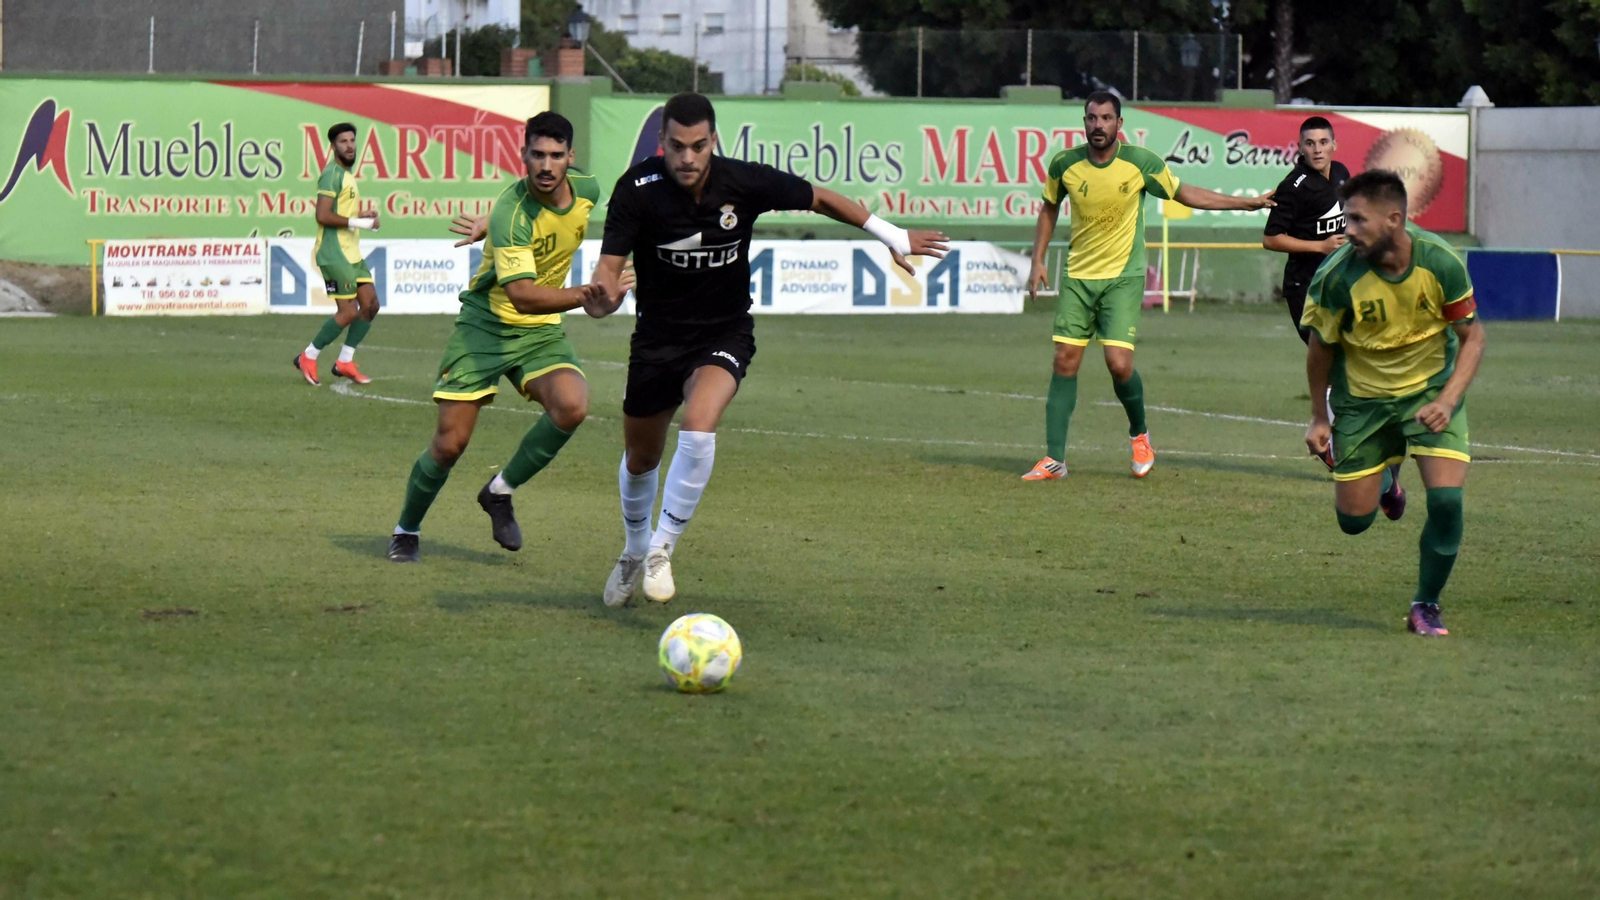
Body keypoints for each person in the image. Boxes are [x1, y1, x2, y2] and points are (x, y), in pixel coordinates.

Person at [584, 92, 948, 607]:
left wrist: (891, 234)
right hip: (657, 341)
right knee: (641, 459)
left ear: (713, 141)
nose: (687, 158)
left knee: (700, 423)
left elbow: (820, 198)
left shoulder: (743, 182)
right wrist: (601, 300)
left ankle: (663, 547)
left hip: (723, 332)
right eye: (676, 146)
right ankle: (634, 549)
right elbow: (605, 276)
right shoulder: (637, 189)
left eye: (699, 145)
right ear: (661, 142)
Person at [387, 112, 628, 563]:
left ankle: (499, 492)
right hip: (487, 326)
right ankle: (407, 529)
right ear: (524, 155)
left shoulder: (588, 191)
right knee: (449, 444)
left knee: (573, 405)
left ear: (570, 159)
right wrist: (586, 295)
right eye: (537, 154)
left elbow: (623, 222)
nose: (546, 165)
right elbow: (521, 296)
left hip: (540, 334)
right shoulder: (511, 212)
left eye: (556, 156)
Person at [1023, 92, 1277, 481]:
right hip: (1078, 277)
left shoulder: (1141, 163)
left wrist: (1245, 204)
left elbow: (1185, 192)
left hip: (1123, 277)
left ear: (1119, 124)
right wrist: (1038, 259)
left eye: (1106, 118)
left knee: (1118, 364)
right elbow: (1049, 208)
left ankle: (1140, 435)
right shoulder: (1065, 164)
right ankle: (1054, 459)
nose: (1098, 126)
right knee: (1064, 360)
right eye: (1091, 118)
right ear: (1084, 122)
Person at [1301, 170, 1486, 636]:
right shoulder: (1336, 276)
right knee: (1353, 522)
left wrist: (1448, 399)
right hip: (1362, 404)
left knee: (1446, 501)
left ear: (1394, 219)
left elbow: (1473, 337)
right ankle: (1387, 480)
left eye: (1359, 220)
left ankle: (1426, 605)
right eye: (1347, 219)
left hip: (1430, 396)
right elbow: (1320, 349)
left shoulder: (1440, 263)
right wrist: (1318, 417)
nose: (1348, 231)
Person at [1263, 117, 1405, 512]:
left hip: (1342, 287)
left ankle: (1364, 458)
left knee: (1359, 366)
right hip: (1305, 292)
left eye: (1324, 141)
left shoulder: (1341, 175)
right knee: (1335, 368)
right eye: (1310, 143)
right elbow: (1270, 238)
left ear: (1334, 145)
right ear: (1301, 146)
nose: (1318, 149)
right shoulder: (1295, 187)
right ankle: (1353, 457)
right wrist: (1319, 246)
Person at [294, 123, 380, 387]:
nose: (350, 145)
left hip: (351, 253)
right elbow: (322, 215)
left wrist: (359, 216)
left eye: (352, 140)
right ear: (333, 147)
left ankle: (344, 361)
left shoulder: (347, 176)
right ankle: (307, 356)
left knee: (370, 305)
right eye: (343, 141)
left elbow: (341, 214)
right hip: (334, 253)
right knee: (348, 311)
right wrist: (361, 223)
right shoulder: (331, 174)